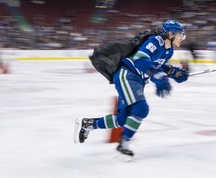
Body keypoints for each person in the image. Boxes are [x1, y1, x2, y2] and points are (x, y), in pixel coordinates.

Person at [74, 20, 189, 158]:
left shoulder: (168, 51)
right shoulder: (156, 41)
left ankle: (89, 124)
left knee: (122, 119)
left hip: (137, 81)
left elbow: (158, 65)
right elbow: (140, 59)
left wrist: (174, 72)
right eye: (180, 35)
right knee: (141, 108)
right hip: (128, 75)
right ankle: (124, 144)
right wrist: (157, 76)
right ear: (170, 34)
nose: (181, 38)